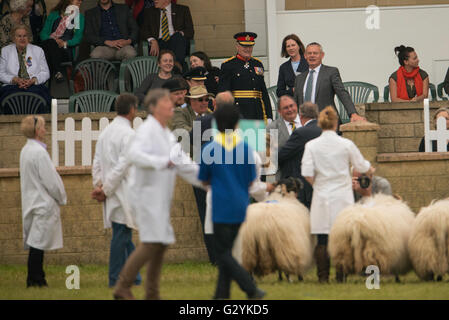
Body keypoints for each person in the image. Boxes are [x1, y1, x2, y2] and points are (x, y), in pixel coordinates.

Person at [113, 88, 203, 300]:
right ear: (153, 108)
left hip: (158, 199)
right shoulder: (147, 131)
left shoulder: (166, 134)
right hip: (145, 197)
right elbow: (133, 154)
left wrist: (208, 181)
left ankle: (152, 294)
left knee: (160, 244)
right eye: (165, 102)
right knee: (153, 243)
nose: (171, 104)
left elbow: (184, 164)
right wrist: (160, 163)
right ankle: (122, 287)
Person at [198, 103, 266, 300]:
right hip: (241, 204)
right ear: (237, 124)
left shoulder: (209, 148)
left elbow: (203, 179)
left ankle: (250, 288)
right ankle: (221, 296)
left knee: (223, 254)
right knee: (227, 251)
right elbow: (252, 179)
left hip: (220, 204)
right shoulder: (246, 149)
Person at [301, 106, 374, 283]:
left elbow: (306, 171)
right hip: (342, 195)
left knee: (322, 238)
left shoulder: (311, 145)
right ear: (336, 123)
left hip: (321, 196)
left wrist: (317, 185)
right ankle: (341, 275)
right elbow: (362, 166)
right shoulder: (346, 144)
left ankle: (323, 277)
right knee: (343, 236)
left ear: (320, 123)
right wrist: (370, 168)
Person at [91, 93, 142, 288]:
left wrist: (99, 184)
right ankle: (114, 278)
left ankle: (135, 277)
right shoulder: (129, 135)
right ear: (132, 110)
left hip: (111, 188)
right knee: (121, 234)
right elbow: (123, 165)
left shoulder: (106, 132)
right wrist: (106, 189)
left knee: (124, 233)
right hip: (121, 190)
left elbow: (96, 161)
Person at [19, 115, 67, 287]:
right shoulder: (39, 153)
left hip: (32, 201)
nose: (45, 130)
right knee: (37, 244)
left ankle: (36, 277)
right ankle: (36, 279)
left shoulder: (26, 150)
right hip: (42, 203)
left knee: (36, 242)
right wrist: (61, 197)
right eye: (43, 127)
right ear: (37, 130)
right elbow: (51, 180)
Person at [293, 42, 365, 124]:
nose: (312, 55)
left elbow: (342, 93)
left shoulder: (331, 72)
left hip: (327, 123)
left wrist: (353, 114)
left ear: (322, 55)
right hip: (304, 125)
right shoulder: (299, 78)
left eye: (315, 53)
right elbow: (295, 103)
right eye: (309, 53)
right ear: (305, 56)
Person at [218, 32, 272, 123]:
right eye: (244, 46)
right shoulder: (228, 65)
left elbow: (263, 92)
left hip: (257, 113)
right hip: (238, 113)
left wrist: (269, 115)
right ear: (237, 46)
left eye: (250, 47)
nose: (248, 49)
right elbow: (224, 93)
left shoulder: (257, 64)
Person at [278, 102, 322, 208]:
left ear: (301, 116)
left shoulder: (300, 133)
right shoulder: (325, 130)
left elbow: (282, 155)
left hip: (304, 187)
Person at [0, 24, 51, 112]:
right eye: (19, 36)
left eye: (25, 36)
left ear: (29, 37)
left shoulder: (38, 50)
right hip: (12, 86)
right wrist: (14, 79)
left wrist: (34, 80)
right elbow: (1, 73)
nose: (22, 39)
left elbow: (46, 73)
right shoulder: (5, 51)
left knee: (40, 98)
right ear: (13, 38)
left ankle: (38, 124)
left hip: (34, 86)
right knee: (9, 100)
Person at [39, 0, 85, 82]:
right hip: (49, 44)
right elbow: (43, 33)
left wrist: (65, 43)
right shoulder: (54, 15)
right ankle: (58, 71)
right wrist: (54, 41)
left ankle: (44, 80)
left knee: (46, 51)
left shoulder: (78, 17)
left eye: (81, 0)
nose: (80, 1)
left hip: (65, 48)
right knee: (51, 43)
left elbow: (78, 38)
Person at [141, 0, 194, 70]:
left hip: (177, 42)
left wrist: (180, 33)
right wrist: (152, 40)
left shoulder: (183, 10)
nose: (154, 0)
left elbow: (190, 31)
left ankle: (176, 65)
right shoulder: (149, 12)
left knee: (178, 36)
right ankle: (177, 68)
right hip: (159, 43)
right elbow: (143, 30)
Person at [266, 95, 301, 179]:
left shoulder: (307, 123)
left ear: (296, 106)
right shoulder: (272, 128)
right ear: (279, 111)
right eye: (286, 108)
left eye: (291, 106)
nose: (290, 109)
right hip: (285, 178)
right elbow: (269, 157)